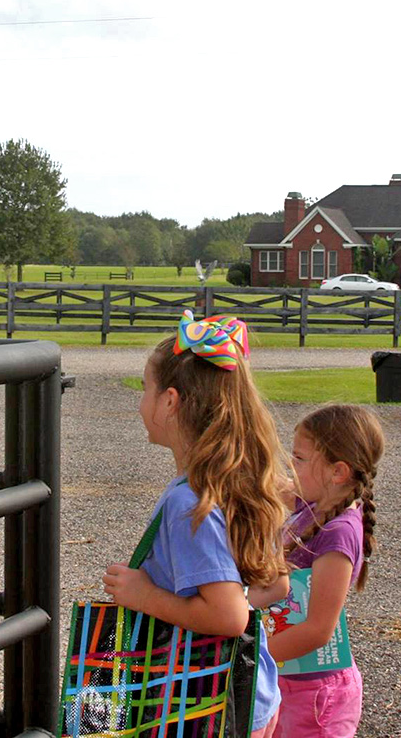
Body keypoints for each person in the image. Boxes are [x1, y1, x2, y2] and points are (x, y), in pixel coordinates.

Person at [102, 310, 288, 738]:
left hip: (202, 706)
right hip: (252, 694)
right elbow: (276, 585)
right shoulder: (236, 477)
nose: (140, 403)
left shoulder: (190, 502)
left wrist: (144, 594)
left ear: (170, 401)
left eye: (145, 390)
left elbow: (227, 616)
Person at [253, 404, 385, 738]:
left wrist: (251, 655)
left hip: (317, 698)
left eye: (298, 458)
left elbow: (318, 630)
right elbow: (269, 483)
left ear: (338, 472)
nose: (290, 466)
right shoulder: (316, 504)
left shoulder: (339, 533)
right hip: (290, 680)